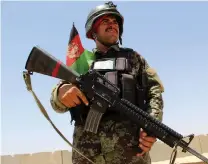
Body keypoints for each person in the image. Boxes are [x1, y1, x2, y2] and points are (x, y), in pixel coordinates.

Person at [50, 1, 164, 164]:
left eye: (115, 22)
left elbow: (155, 93)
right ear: (93, 31)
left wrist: (152, 127)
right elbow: (56, 103)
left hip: (131, 155)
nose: (112, 25)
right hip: (88, 156)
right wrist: (60, 92)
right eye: (105, 21)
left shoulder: (134, 59)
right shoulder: (82, 63)